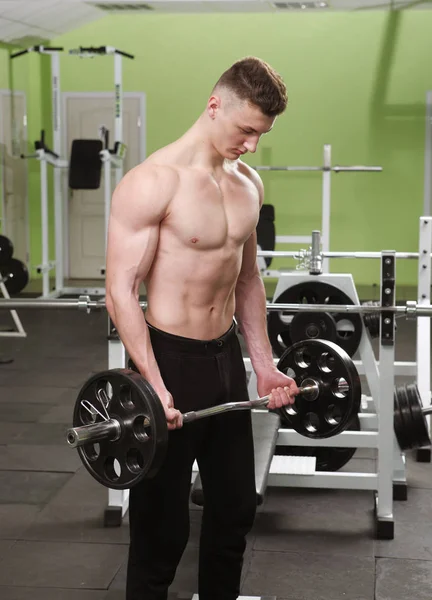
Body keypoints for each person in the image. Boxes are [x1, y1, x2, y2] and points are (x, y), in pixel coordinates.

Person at [106, 56, 299, 600]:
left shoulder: (248, 182)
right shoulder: (153, 182)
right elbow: (120, 291)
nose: (252, 145)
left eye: (261, 134)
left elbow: (248, 281)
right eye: (246, 130)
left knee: (235, 507)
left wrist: (262, 365)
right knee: (161, 527)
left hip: (224, 359)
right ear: (215, 105)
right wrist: (154, 385)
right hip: (166, 359)